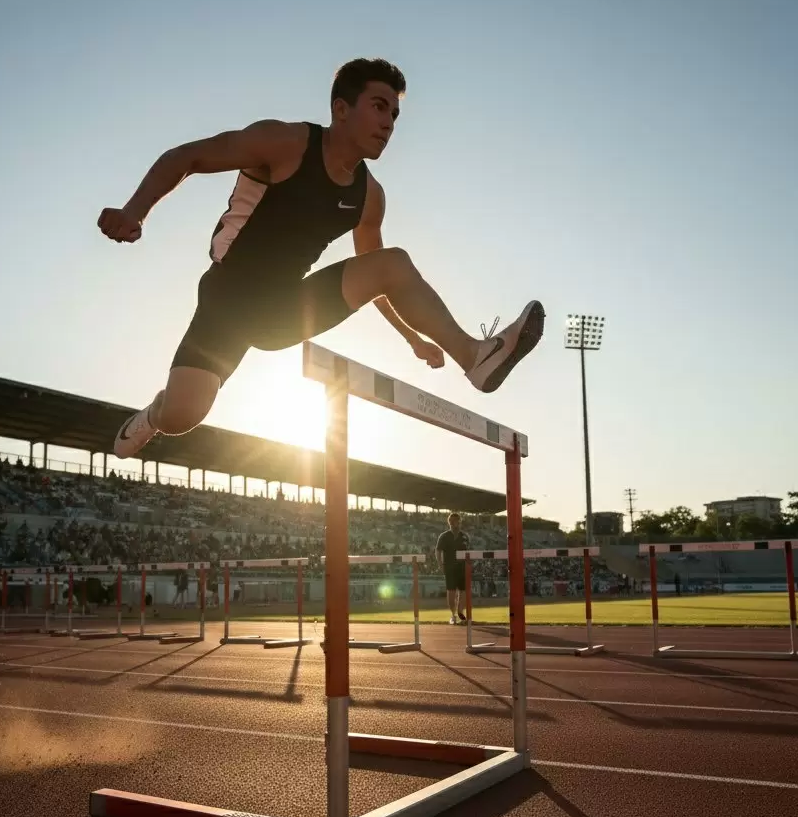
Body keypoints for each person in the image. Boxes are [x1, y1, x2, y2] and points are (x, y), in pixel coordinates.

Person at [99, 57, 545, 459]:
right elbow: (189, 156)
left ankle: (474, 356)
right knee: (182, 416)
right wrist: (134, 211)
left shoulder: (369, 196)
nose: (388, 123)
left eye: (394, 114)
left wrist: (411, 339)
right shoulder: (284, 142)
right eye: (379, 106)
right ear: (341, 109)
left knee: (393, 261)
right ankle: (153, 414)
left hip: (287, 308)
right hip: (227, 301)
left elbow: (383, 281)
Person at [435, 513, 470, 625]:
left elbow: (469, 552)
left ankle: (460, 612)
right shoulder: (444, 536)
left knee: (463, 591)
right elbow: (438, 551)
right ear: (449, 522)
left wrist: (469, 565)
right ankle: (453, 614)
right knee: (451, 592)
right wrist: (440, 564)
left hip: (463, 567)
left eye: (458, 521)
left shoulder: (465, 536)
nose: (456, 523)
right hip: (450, 568)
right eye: (454, 521)